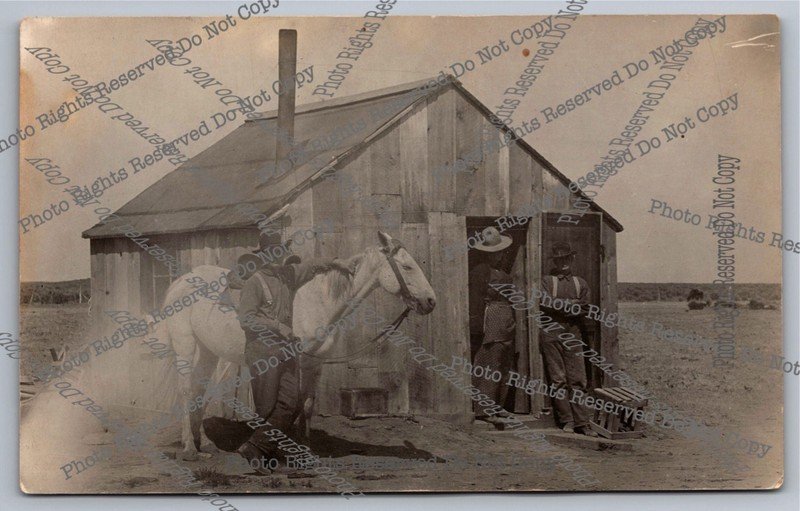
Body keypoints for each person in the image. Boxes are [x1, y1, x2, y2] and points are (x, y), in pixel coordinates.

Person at [236, 232, 351, 471]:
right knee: (267, 406)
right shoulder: (254, 282)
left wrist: (334, 262)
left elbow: (310, 266)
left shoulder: (288, 276)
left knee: (291, 402)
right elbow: (246, 319)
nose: (277, 257)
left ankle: (256, 446)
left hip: (286, 351)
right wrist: (278, 326)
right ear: (263, 256)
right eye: (271, 253)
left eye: (279, 252)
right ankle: (261, 452)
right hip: (263, 351)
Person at [539, 241, 598, 437]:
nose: (563, 263)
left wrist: (561, 305)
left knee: (579, 380)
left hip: (574, 332)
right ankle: (567, 421)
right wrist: (570, 304)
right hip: (551, 331)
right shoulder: (547, 281)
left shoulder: (580, 283)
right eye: (559, 259)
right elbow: (545, 303)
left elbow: (584, 307)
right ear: (555, 261)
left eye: (566, 258)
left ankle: (582, 422)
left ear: (572, 259)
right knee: (558, 380)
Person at [468, 226, 514, 422]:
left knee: (504, 365)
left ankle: (497, 406)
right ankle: (483, 410)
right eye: (495, 253)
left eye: (501, 252)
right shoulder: (480, 271)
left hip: (506, 320)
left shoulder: (503, 273)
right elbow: (476, 300)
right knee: (489, 363)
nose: (500, 255)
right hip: (492, 320)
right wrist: (477, 327)